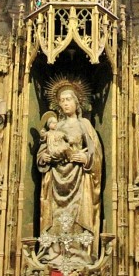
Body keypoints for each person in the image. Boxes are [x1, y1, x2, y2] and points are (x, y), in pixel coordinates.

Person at [36, 87, 103, 257]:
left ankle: (78, 253)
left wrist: (86, 158)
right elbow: (42, 152)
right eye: (62, 100)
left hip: (79, 179)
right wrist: (44, 157)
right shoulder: (55, 126)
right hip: (56, 179)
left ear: (77, 102)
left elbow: (96, 152)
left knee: (77, 215)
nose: (65, 103)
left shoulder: (84, 124)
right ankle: (54, 253)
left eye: (68, 99)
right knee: (56, 217)